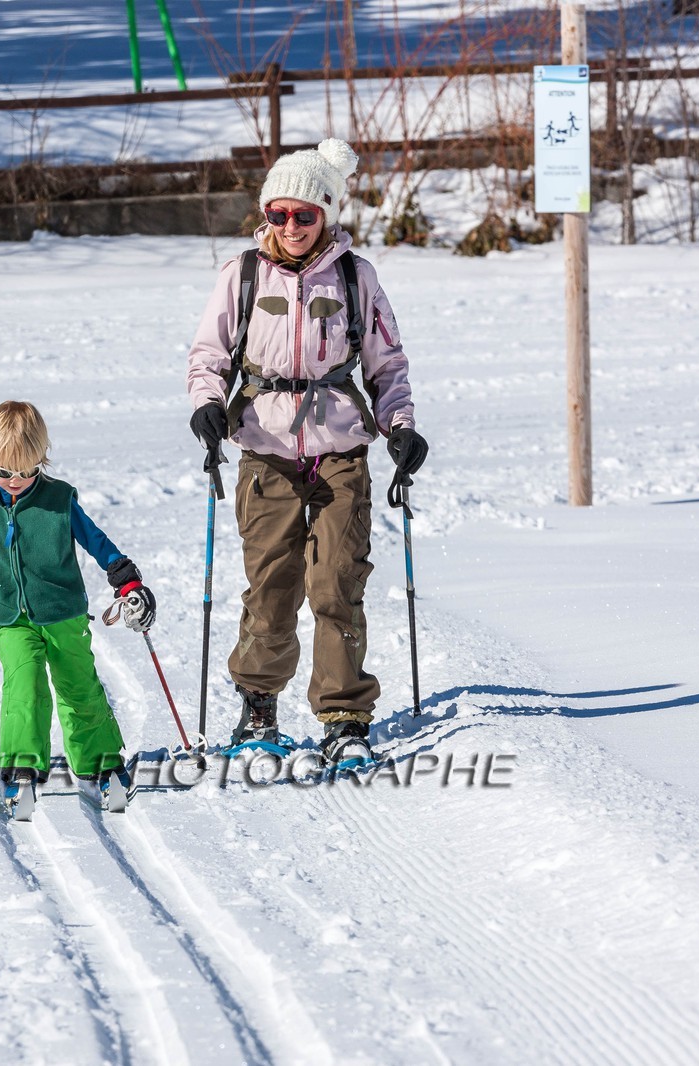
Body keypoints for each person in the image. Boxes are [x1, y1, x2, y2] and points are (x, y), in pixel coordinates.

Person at [184, 138, 428, 768]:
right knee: (271, 586)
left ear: (327, 214)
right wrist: (208, 404)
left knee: (336, 584)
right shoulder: (241, 275)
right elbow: (208, 355)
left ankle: (344, 714)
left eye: (304, 215)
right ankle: (258, 707)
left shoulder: (356, 276)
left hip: (341, 450)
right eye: (277, 215)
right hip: (264, 450)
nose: (289, 227)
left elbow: (388, 364)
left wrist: (398, 425)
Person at [0, 401, 154, 810]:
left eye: (27, 471)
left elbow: (97, 541)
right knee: (24, 686)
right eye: (5, 472)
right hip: (9, 616)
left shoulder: (59, 499)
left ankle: (102, 762)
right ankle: (22, 765)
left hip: (63, 612)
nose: (15, 481)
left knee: (78, 685)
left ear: (42, 459)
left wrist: (127, 581)